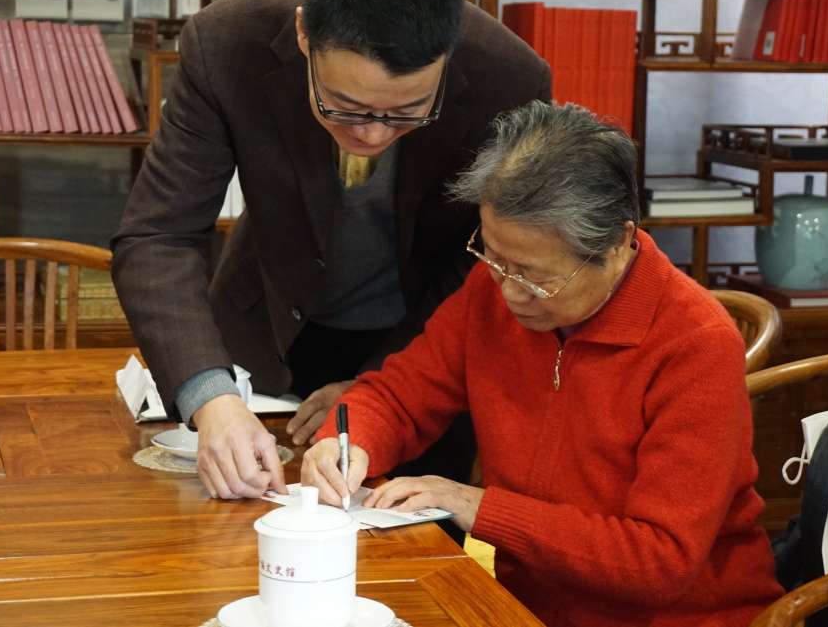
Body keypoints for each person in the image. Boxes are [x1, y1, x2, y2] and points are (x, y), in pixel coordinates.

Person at [110, 0, 551, 505]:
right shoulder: (228, 44)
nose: (370, 133)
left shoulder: (509, 79)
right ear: (302, 36)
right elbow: (158, 234)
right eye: (341, 106)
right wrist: (212, 399)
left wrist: (386, 384)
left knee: (408, 556)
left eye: (407, 112)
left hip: (421, 340)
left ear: (447, 58)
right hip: (266, 331)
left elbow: (482, 257)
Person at [302, 102, 784, 627]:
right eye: (492, 257)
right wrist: (345, 445)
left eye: (535, 276)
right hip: (522, 607)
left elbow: (658, 562)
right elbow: (396, 395)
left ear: (619, 243)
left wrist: (478, 506)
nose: (509, 292)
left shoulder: (695, 344)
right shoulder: (490, 295)